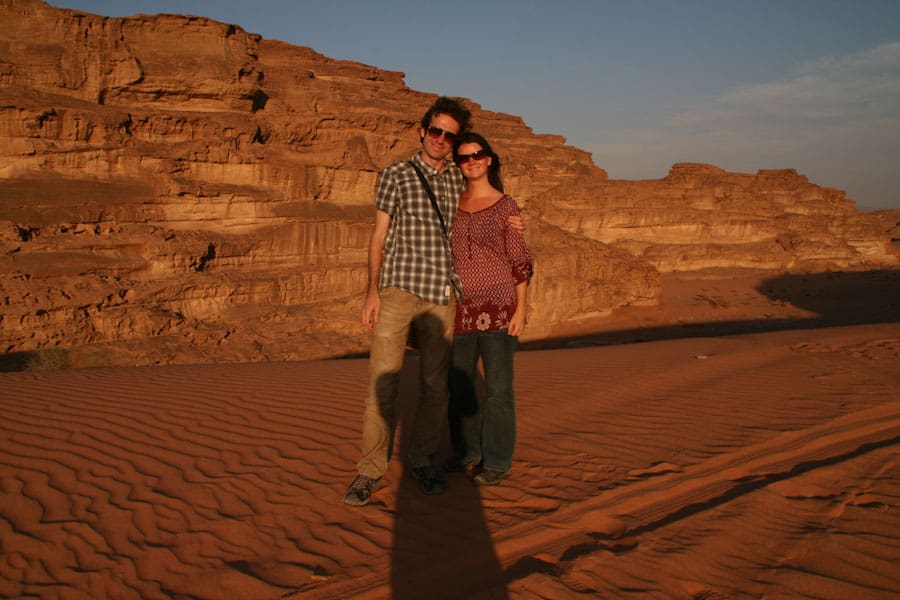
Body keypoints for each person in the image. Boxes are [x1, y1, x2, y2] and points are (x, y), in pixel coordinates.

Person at [344, 98, 524, 506]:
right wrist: (371, 291)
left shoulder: (456, 181)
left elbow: (486, 201)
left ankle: (423, 459)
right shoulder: (396, 174)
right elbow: (378, 236)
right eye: (436, 131)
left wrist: (514, 218)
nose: (442, 139)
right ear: (422, 131)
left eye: (450, 135)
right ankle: (369, 471)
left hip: (442, 294)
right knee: (382, 386)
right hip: (398, 291)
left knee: (435, 387)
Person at [444, 132, 533, 486]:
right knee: (461, 386)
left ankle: (497, 461)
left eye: (478, 154)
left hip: (500, 306)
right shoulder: (452, 203)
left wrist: (521, 308)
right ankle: (467, 451)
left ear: (489, 159)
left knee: (497, 390)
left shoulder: (506, 206)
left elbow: (520, 259)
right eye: (465, 157)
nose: (472, 161)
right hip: (463, 308)